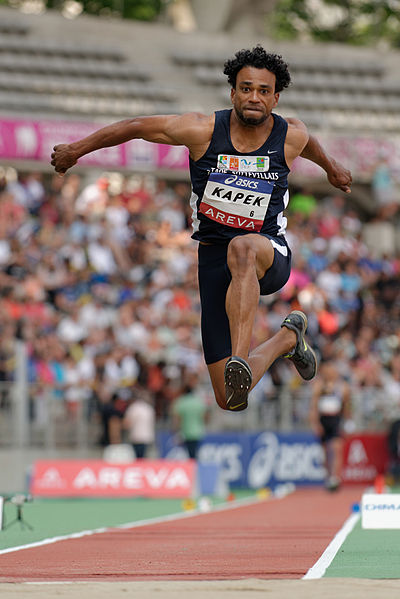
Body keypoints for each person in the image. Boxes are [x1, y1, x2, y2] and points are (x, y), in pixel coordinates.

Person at [51, 45, 352, 413]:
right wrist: (76, 150)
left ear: (275, 98)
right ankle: (287, 339)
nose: (253, 97)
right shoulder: (202, 130)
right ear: (233, 93)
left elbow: (312, 148)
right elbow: (137, 127)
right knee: (229, 399)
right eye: (245, 88)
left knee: (242, 247)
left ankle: (239, 359)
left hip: (266, 254)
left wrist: (333, 168)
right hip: (213, 261)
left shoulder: (291, 136)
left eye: (262, 91)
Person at [309, 362, 351, 491]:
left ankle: (335, 477)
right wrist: (315, 424)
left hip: (335, 419)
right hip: (323, 419)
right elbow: (314, 407)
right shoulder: (319, 386)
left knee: (336, 448)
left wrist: (348, 422)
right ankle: (328, 477)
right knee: (326, 451)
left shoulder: (342, 386)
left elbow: (346, 405)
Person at [172, 380, 209, 459]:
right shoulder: (198, 402)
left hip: (186, 432)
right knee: (194, 454)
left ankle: (192, 469)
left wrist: (176, 429)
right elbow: (205, 416)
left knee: (189, 455)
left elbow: (177, 418)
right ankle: (194, 468)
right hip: (198, 432)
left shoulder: (181, 402)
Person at [122, 388, 156, 458]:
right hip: (147, 437)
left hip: (136, 437)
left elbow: (127, 423)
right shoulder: (149, 408)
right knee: (143, 458)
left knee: (138, 458)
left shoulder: (133, 408)